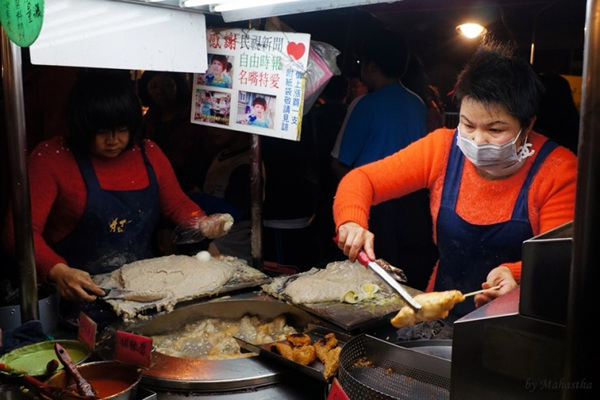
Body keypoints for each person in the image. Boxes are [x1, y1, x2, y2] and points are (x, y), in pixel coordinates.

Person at [333, 39, 577, 319]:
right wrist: (352, 221)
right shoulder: (442, 149)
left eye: (495, 129)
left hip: (517, 321)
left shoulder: (559, 170)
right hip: (439, 312)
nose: (477, 139)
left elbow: (559, 261)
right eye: (468, 124)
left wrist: (516, 274)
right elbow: (363, 180)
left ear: (528, 124)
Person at [1, 69, 233, 303]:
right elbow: (18, 234)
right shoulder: (52, 158)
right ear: (81, 125)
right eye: (101, 132)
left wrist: (202, 222)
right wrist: (57, 270)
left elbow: (176, 204)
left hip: (139, 291)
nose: (113, 141)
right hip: (73, 292)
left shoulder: (149, 154)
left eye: (122, 130)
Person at [331, 29, 439, 290]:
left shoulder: (363, 104)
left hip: (374, 206)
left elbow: (339, 161)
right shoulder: (417, 103)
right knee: (408, 277)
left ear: (371, 65)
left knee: (373, 280)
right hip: (414, 206)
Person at [138, 71, 209, 194]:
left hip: (188, 186)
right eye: (154, 87)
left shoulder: (191, 118)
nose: (160, 91)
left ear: (178, 85)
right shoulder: (148, 119)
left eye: (167, 86)